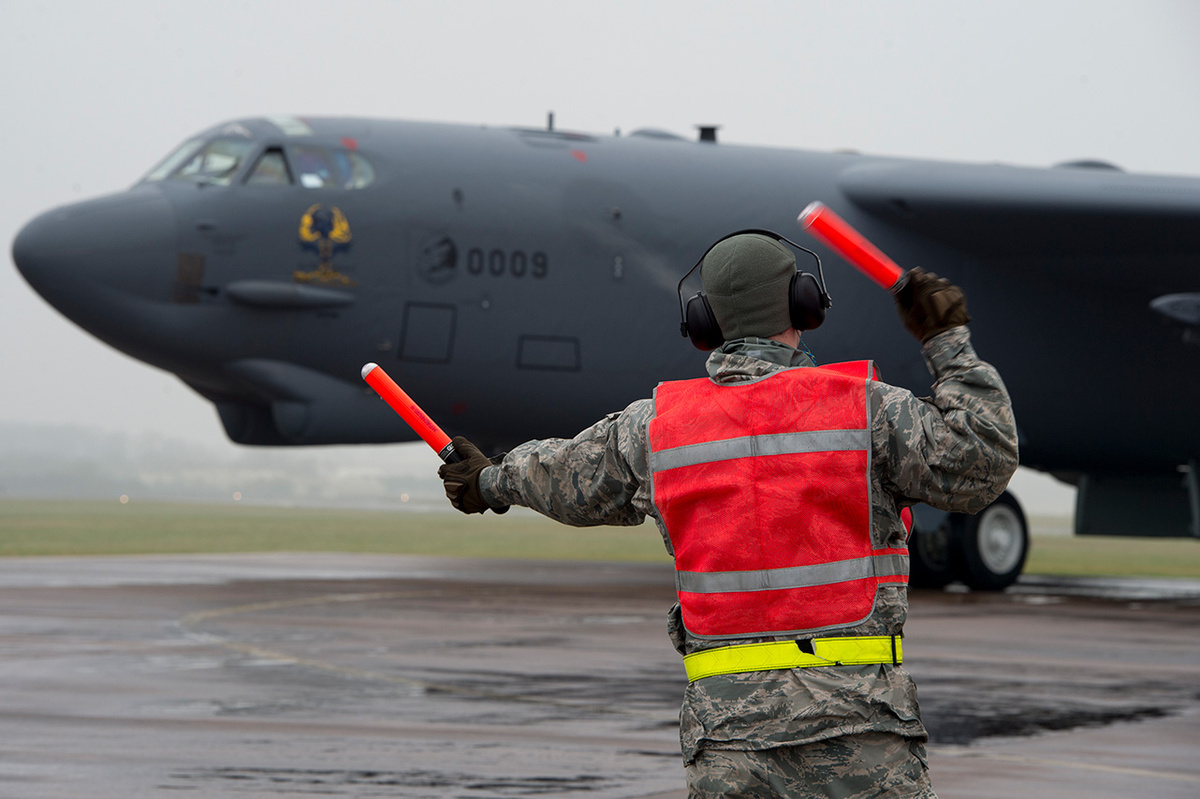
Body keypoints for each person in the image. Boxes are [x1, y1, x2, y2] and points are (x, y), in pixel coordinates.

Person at [439, 232, 1018, 798]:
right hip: (861, 731)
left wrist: (488, 480)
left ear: (704, 322)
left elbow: (566, 475)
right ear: (803, 305)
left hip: (729, 744)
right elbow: (983, 457)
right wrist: (947, 340)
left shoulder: (655, 427)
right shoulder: (867, 410)